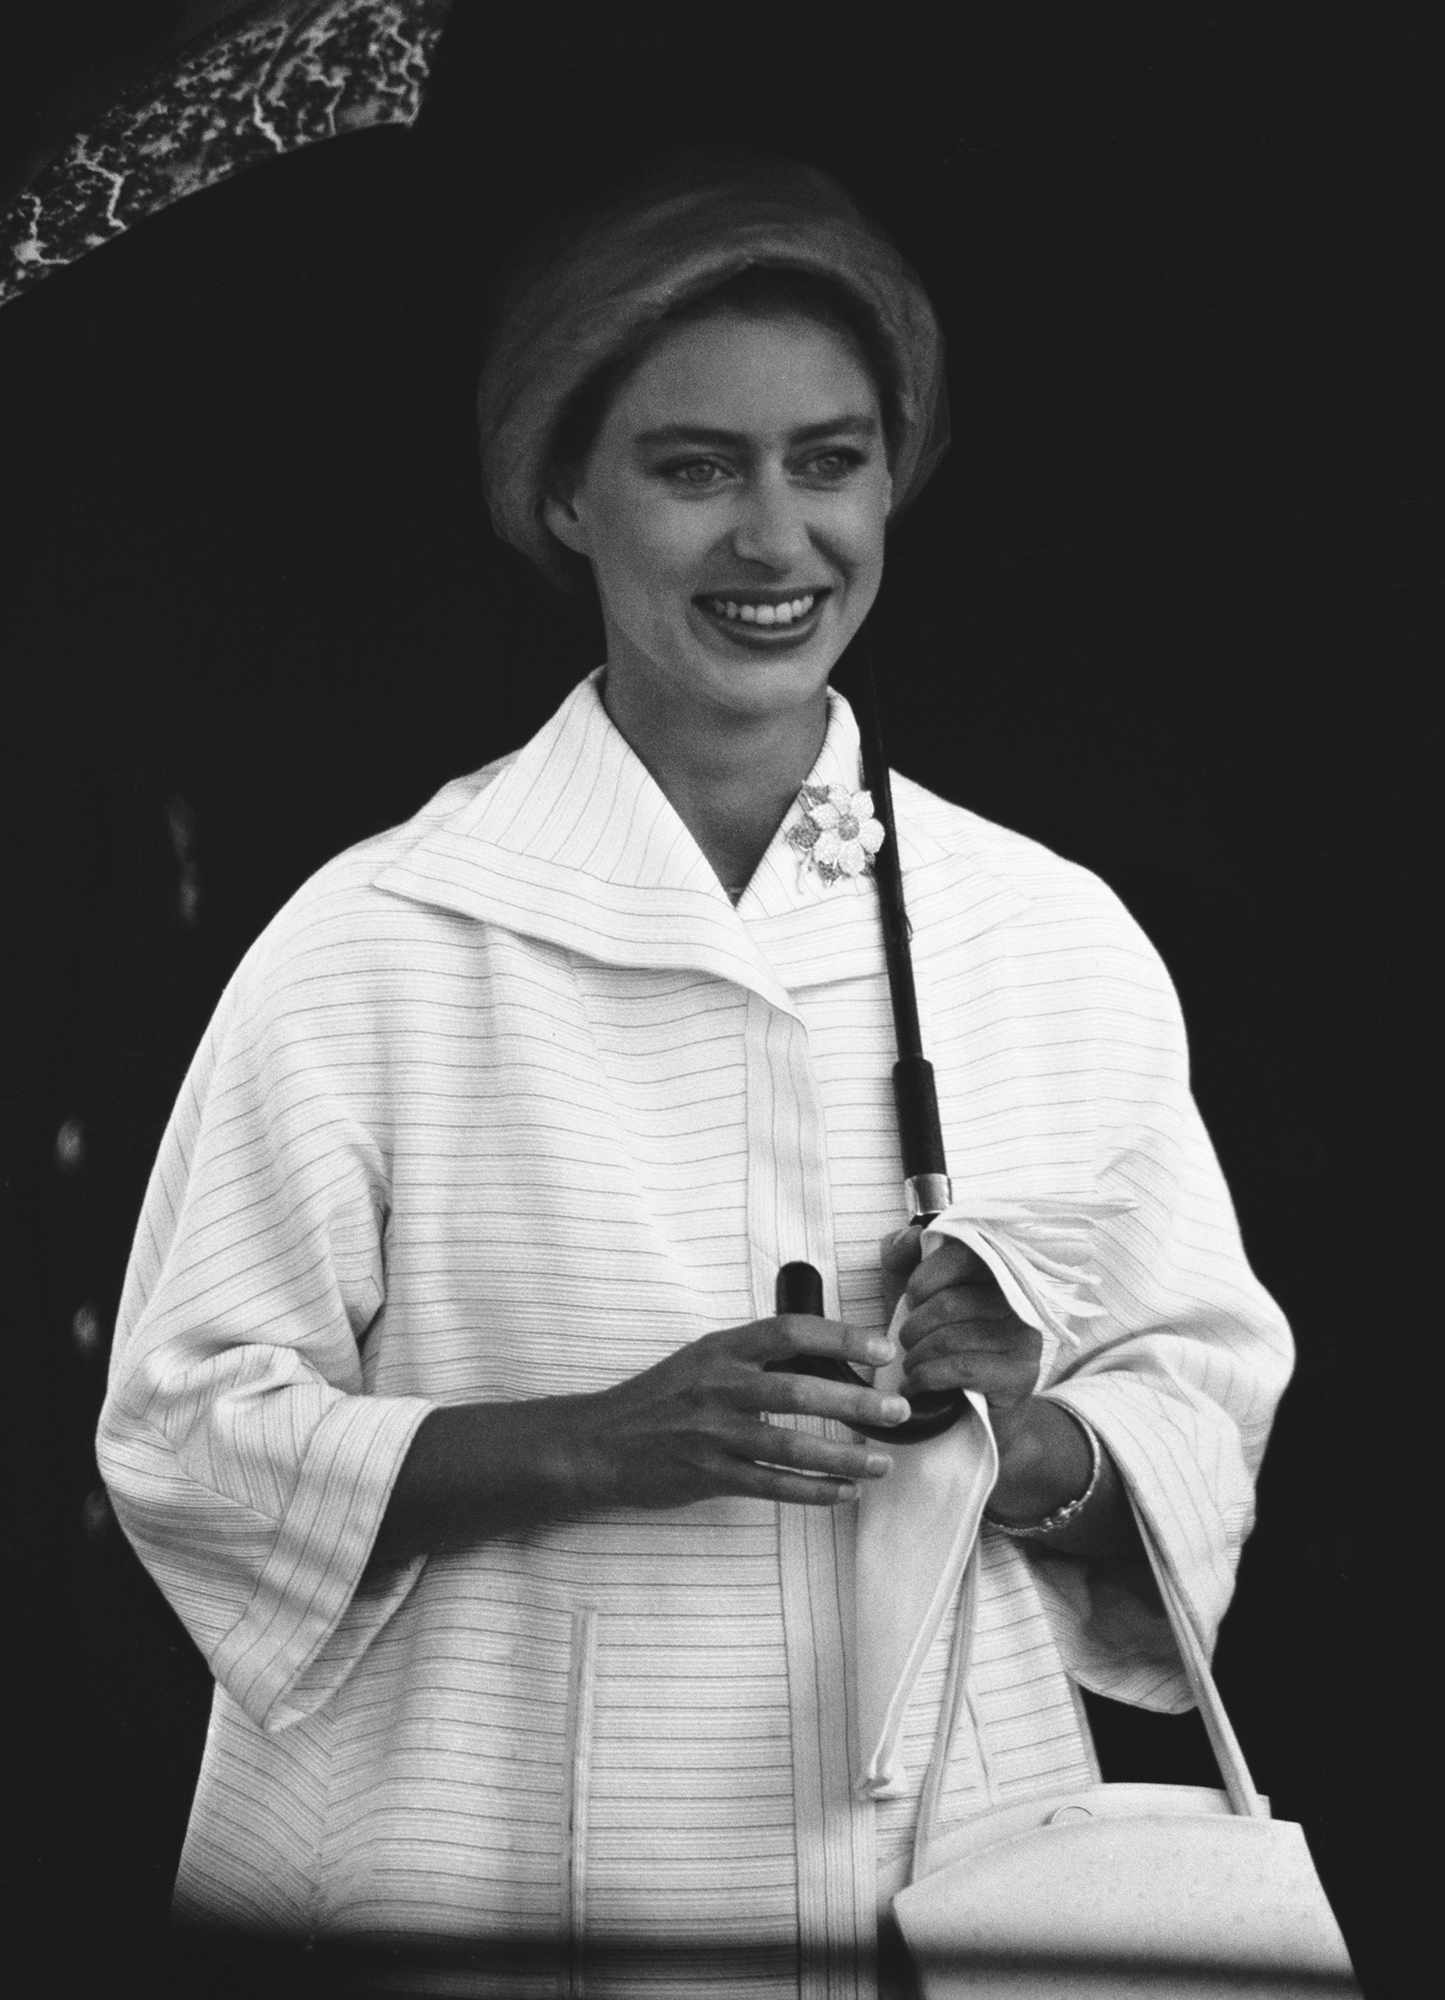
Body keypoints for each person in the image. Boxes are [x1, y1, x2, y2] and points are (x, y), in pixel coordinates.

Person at [97, 150, 1292, 1997]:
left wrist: (1024, 1443)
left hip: (962, 1883)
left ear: (893, 477)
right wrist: (599, 1440)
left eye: (829, 459)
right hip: (476, 1885)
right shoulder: (381, 942)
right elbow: (181, 1436)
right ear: (561, 493)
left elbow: (1198, 1403)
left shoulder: (1046, 938)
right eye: (691, 466)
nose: (774, 538)